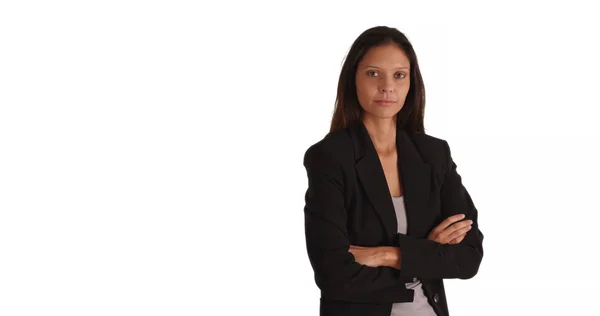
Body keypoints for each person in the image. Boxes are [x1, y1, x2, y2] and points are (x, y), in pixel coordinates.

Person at [302, 26, 484, 316]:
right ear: (354, 80)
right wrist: (425, 255)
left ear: (411, 82)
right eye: (373, 73)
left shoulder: (434, 155)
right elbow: (333, 274)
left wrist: (388, 255)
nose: (387, 86)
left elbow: (469, 257)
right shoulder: (330, 158)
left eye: (399, 75)